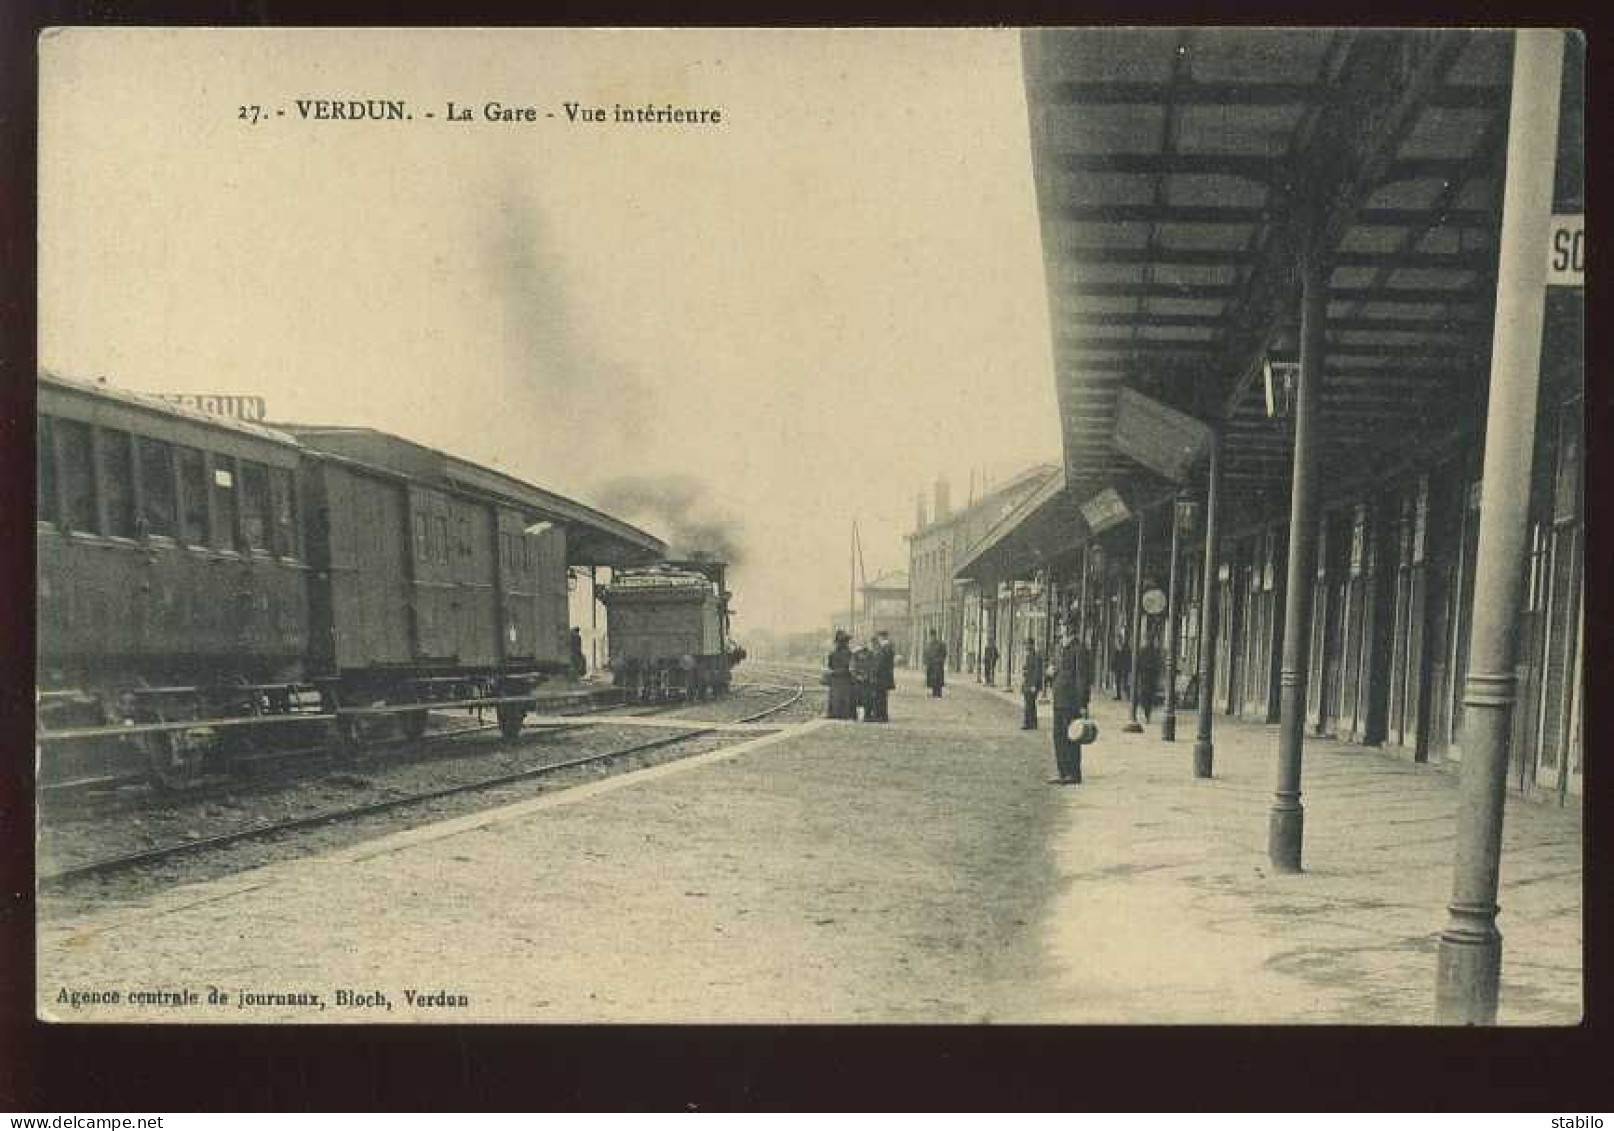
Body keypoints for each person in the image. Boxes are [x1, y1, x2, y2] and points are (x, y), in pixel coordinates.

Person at [1051, 623, 1091, 785]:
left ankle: (1073, 773)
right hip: (1059, 699)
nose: (1060, 629)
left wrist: (1082, 703)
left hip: (1071, 701)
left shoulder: (1078, 650)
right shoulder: (1060, 648)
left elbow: (1082, 678)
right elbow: (1057, 670)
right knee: (1058, 736)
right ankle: (1062, 772)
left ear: (1069, 630)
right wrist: (1051, 673)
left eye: (1062, 626)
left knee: (1072, 736)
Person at [825, 630, 856, 720]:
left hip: (835, 679)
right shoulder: (849, 653)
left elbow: (829, 666)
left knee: (835, 698)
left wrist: (834, 671)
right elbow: (851, 667)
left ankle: (835, 714)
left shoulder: (832, 653)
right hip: (845, 678)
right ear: (846, 643)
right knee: (846, 698)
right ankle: (845, 714)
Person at [871, 630, 896, 722]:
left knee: (880, 696)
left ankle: (881, 715)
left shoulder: (885, 648)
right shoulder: (887, 647)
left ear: (882, 637)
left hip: (882, 676)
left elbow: (880, 663)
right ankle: (881, 714)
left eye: (880, 638)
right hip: (884, 676)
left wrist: (874, 672)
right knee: (881, 696)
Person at [1020, 638, 1045, 731]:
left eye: (1027, 645)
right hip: (1027, 683)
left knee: (1029, 703)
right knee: (1029, 703)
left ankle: (1027, 723)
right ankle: (1033, 723)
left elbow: (1038, 672)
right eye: (1025, 645)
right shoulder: (1028, 656)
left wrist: (1034, 685)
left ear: (1031, 645)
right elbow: (1026, 670)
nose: (1026, 647)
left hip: (1032, 684)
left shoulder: (1036, 656)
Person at [1135, 641, 1162, 723]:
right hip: (1149, 679)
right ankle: (1147, 714)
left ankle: (1147, 713)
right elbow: (1159, 665)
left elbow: (1138, 665)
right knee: (1148, 697)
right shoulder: (1154, 652)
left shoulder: (1144, 652)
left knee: (1146, 697)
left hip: (1147, 679)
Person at [850, 639, 876, 722]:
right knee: (857, 698)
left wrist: (868, 676)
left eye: (865, 643)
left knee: (867, 699)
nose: (864, 645)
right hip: (859, 680)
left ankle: (866, 715)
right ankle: (856, 716)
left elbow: (873, 667)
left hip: (866, 680)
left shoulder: (871, 654)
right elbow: (852, 667)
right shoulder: (856, 654)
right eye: (863, 643)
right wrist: (857, 676)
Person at [923, 629, 948, 698]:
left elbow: (944, 653)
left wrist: (940, 660)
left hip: (938, 665)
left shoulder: (940, 644)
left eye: (933, 636)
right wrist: (926, 662)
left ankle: (939, 693)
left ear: (935, 636)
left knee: (938, 679)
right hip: (931, 665)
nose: (932, 637)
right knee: (932, 680)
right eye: (931, 636)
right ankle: (934, 693)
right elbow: (925, 653)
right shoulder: (928, 644)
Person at [1112, 634, 1131, 701]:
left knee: (1125, 682)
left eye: (1118, 640)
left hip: (1124, 667)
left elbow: (1128, 658)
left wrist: (1128, 668)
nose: (1117, 641)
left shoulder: (1125, 647)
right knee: (1118, 682)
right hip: (1118, 668)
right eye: (1117, 640)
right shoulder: (1117, 648)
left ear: (1121, 640)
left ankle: (1128, 696)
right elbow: (1115, 659)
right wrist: (1113, 667)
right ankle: (1118, 695)